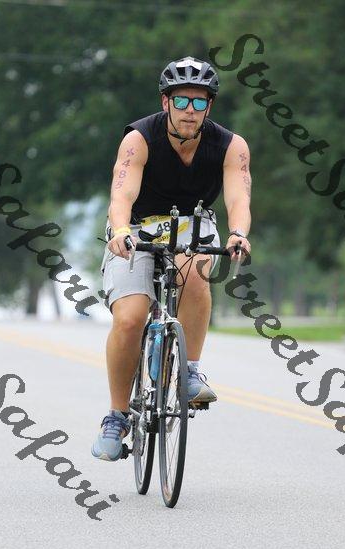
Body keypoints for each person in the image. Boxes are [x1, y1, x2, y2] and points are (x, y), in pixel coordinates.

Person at [92, 56, 252, 461]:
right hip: (137, 227)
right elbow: (122, 193)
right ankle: (116, 417)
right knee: (130, 318)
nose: (189, 111)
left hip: (193, 226)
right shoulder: (139, 139)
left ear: (209, 107)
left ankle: (190, 372)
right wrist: (120, 230)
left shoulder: (231, 146)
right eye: (181, 101)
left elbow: (238, 197)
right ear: (166, 102)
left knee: (196, 274)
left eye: (199, 102)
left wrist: (238, 233)